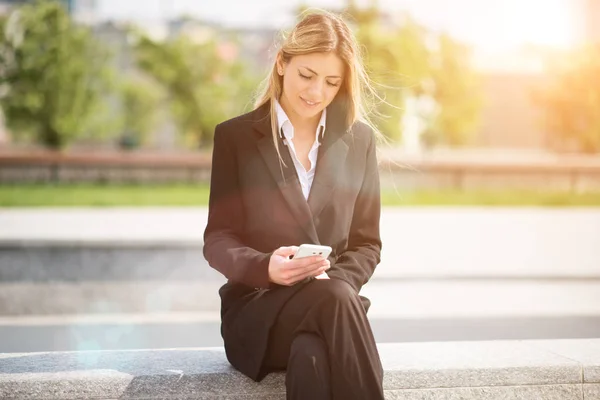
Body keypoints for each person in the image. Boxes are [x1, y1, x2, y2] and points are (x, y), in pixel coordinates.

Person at [203, 10, 384, 400]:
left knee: (311, 358)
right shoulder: (236, 137)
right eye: (307, 75)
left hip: (330, 309)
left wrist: (336, 280)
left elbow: (367, 243)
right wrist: (265, 267)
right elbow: (218, 239)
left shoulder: (360, 142)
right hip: (258, 312)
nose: (316, 92)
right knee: (335, 300)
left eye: (331, 82)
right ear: (282, 63)